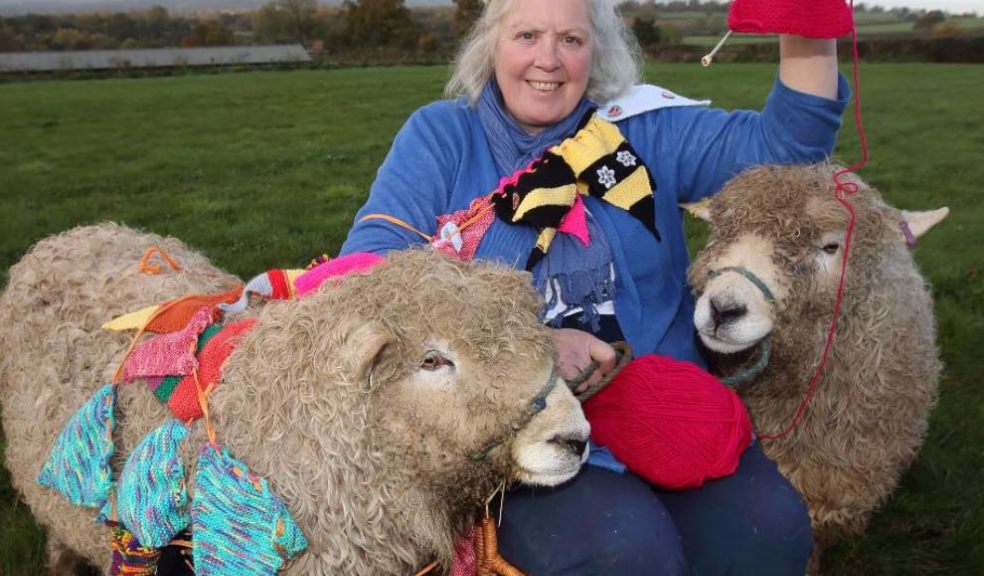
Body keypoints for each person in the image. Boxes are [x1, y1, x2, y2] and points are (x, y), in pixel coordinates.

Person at [340, 0, 848, 573]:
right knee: (625, 552)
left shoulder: (642, 131)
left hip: (663, 408)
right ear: (491, 45)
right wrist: (534, 348)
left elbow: (790, 150)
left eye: (571, 41)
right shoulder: (442, 135)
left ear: (598, 51)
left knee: (768, 532)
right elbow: (370, 268)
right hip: (515, 429)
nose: (548, 60)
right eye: (527, 35)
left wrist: (807, 14)